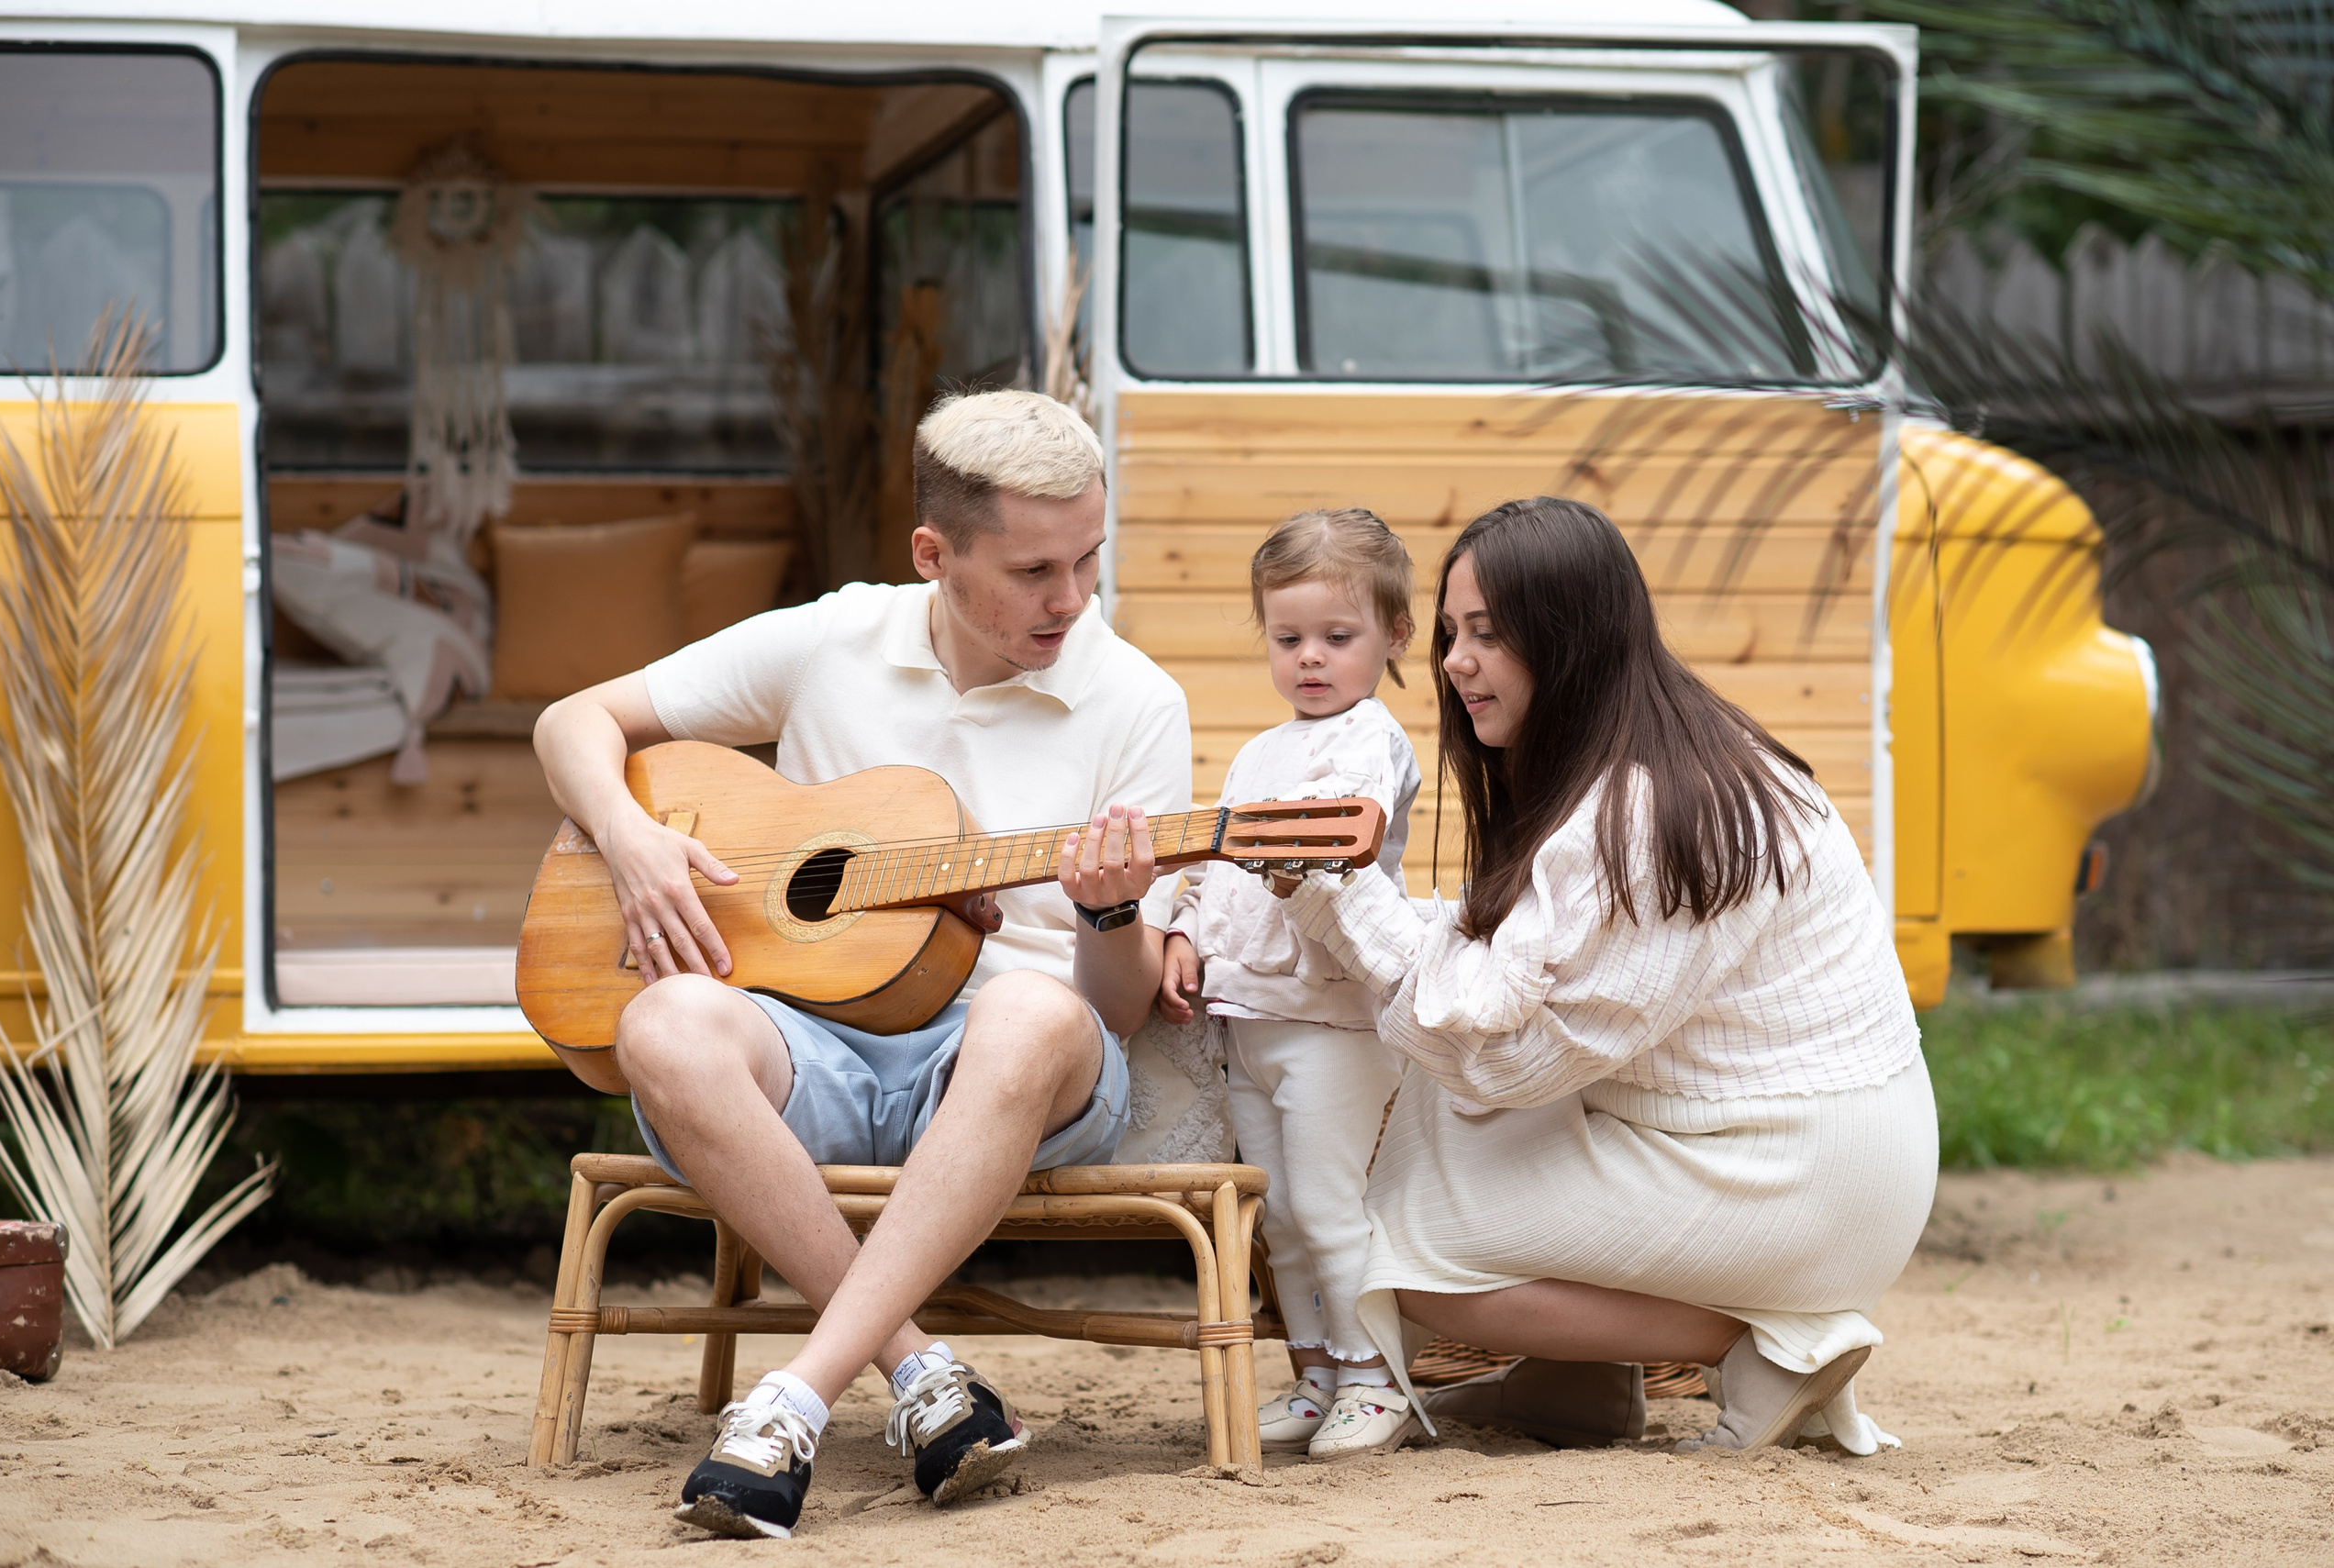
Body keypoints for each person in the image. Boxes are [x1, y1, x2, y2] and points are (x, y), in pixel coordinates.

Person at [530, 390, 1190, 1538]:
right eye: (1033, 569)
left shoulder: (1132, 699)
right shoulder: (834, 639)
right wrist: (633, 844)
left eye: (1088, 558)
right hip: (814, 1050)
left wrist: (1111, 909)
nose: (1070, 598)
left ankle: (792, 1397)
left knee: (1028, 1010)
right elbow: (572, 721)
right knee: (663, 1023)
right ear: (933, 554)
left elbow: (1119, 1007)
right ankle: (921, 1371)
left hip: (1018, 1081)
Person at [1269, 495, 1939, 1456]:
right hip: (1786, 1137)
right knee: (1436, 1112)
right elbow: (1506, 968)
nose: (1454, 660)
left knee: (1402, 1250)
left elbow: (1509, 1059)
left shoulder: (1658, 804)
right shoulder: (1644, 761)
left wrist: (1339, 898)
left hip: (1805, 1171)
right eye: (1452, 632)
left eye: (1489, 635)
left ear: (1568, 640)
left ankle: (1772, 1343)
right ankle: (1572, 1385)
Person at [1156, 509, 1423, 1460]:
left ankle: (1373, 1376)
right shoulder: (1257, 750)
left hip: (1331, 1022)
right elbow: (1221, 868)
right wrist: (1185, 929)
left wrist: (1289, 855)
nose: (1310, 658)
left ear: (1394, 636)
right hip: (1250, 1016)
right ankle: (1314, 1371)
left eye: (1337, 637)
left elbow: (1331, 840)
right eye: (1288, 637)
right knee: (1279, 1218)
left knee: (1325, 1201)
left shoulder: (1369, 740)